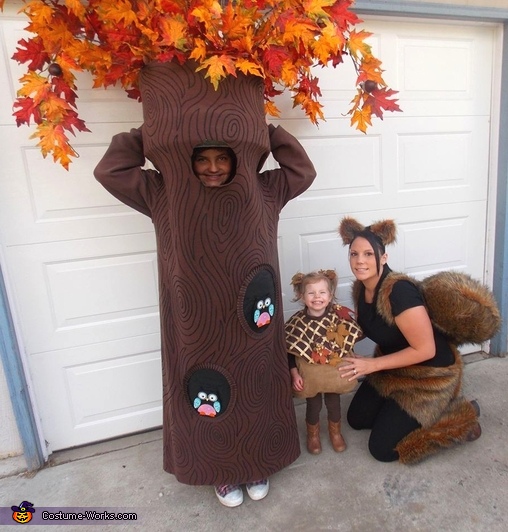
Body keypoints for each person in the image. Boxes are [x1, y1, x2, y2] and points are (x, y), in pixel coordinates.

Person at [94, 63, 316, 507]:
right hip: (196, 323)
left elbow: (302, 170)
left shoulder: (264, 191)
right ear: (188, 160)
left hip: (253, 319)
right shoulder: (163, 194)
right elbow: (111, 171)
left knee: (254, 386)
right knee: (206, 392)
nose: (213, 167)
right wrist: (152, 133)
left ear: (236, 156)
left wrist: (264, 130)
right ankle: (222, 473)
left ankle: (256, 463)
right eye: (202, 157)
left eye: (222, 157)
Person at [337, 216, 482, 464]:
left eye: (368, 254)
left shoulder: (399, 292)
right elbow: (375, 327)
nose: (360, 261)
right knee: (356, 420)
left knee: (382, 450)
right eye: (354, 254)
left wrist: (370, 365)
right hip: (395, 367)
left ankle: (458, 416)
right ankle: (397, 413)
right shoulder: (361, 288)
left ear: (383, 258)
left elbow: (426, 349)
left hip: (428, 375)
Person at [285, 270, 361, 455]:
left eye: (322, 292)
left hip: (334, 373)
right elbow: (290, 351)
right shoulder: (297, 323)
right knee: (314, 405)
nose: (317, 297)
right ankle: (313, 436)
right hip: (311, 376)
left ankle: (335, 433)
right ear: (301, 296)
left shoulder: (338, 317)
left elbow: (347, 344)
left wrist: (354, 362)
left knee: (334, 403)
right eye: (311, 293)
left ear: (330, 295)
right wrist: (294, 373)